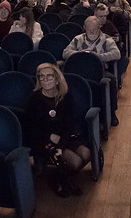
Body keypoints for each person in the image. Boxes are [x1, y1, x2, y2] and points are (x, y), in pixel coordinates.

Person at [24, 63, 91, 197]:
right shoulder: (34, 99)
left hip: (64, 136)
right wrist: (50, 138)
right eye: (41, 77)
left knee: (86, 153)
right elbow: (30, 127)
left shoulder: (65, 96)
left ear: (56, 79)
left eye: (49, 76)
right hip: (43, 139)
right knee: (76, 161)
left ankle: (65, 176)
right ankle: (61, 180)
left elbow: (69, 123)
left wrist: (61, 144)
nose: (45, 79)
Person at [64, 16, 121, 126]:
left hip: (99, 71)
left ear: (99, 27)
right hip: (79, 71)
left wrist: (99, 56)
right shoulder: (78, 39)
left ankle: (112, 113)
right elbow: (65, 52)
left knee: (111, 80)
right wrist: (79, 53)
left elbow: (116, 54)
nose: (91, 32)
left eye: (94, 30)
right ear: (84, 28)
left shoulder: (106, 39)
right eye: (89, 30)